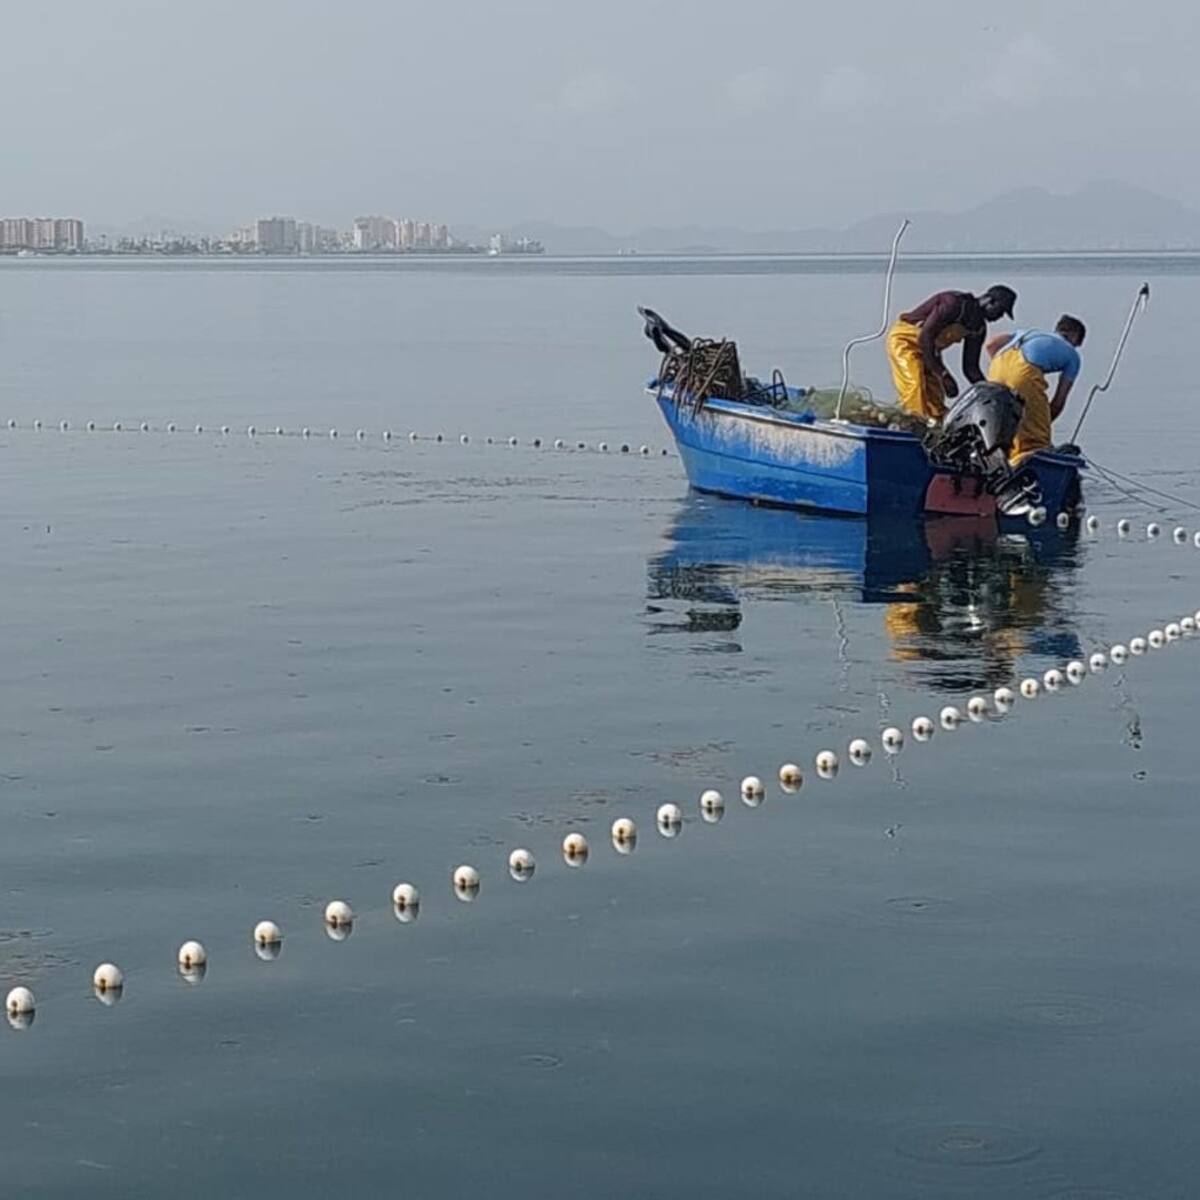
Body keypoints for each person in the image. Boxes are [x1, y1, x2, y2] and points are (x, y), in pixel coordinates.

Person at [886, 285, 1017, 421]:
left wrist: (990, 392)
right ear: (989, 301)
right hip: (905, 341)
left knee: (935, 398)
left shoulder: (978, 328)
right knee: (915, 385)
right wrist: (943, 375)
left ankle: (936, 427)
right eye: (1000, 311)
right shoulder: (953, 304)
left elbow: (971, 368)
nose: (999, 317)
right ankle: (913, 424)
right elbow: (925, 337)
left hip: (931, 351)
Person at [985, 315, 1086, 463]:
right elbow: (1058, 402)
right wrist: (1041, 423)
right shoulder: (1072, 355)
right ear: (1075, 337)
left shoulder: (1028, 333)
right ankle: (1027, 466)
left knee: (1004, 423)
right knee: (1035, 442)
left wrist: (1005, 371)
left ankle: (1000, 462)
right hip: (1024, 374)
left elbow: (990, 344)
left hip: (996, 369)